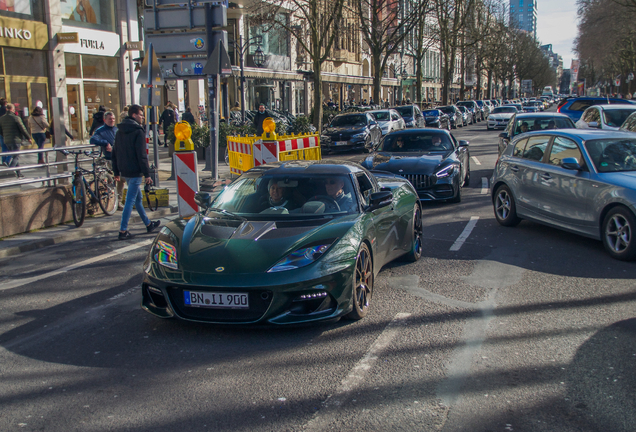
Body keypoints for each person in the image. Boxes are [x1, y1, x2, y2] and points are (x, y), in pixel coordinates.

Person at [112, 104, 161, 240]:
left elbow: (115, 153)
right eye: (140, 114)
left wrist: (116, 171)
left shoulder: (119, 131)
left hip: (124, 170)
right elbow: (142, 155)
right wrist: (147, 174)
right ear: (134, 115)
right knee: (130, 200)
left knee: (138, 199)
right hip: (135, 171)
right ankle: (123, 230)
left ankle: (148, 224)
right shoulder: (138, 131)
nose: (143, 117)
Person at [90, 111, 125, 209]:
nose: (112, 120)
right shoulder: (100, 131)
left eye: (113, 119)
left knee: (121, 180)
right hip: (109, 159)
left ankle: (119, 201)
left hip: (119, 159)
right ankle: (111, 202)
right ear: (105, 120)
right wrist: (105, 143)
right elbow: (93, 140)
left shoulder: (117, 130)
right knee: (111, 180)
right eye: (110, 119)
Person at [0, 103, 32, 178]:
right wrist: (28, 137)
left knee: (15, 155)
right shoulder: (16, 118)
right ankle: (10, 170)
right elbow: (22, 129)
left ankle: (18, 173)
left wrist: (4, 135)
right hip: (16, 140)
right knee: (16, 156)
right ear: (12, 109)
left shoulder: (2, 118)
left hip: (7, 140)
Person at [0, 98, 9, 166]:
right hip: (6, 131)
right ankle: (7, 160)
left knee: (3, 147)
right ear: (5, 103)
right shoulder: (6, 111)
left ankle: (3, 160)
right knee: (10, 147)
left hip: (0, 132)